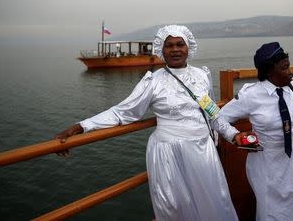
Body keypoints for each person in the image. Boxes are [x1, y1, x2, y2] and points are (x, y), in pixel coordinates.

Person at [55, 25, 238, 221]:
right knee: (174, 208)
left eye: (179, 44)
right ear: (161, 49)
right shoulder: (153, 82)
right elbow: (122, 112)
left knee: (212, 202)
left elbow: (212, 113)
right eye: (169, 45)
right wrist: (81, 126)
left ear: (188, 47)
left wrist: (233, 135)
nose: (175, 49)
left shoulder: (201, 76)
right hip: (169, 154)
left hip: (203, 151)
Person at [213, 42, 293, 221]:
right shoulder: (250, 95)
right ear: (268, 71)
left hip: (292, 158)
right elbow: (218, 118)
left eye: (289, 66)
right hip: (265, 163)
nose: (290, 72)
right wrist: (234, 136)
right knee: (270, 210)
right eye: (285, 68)